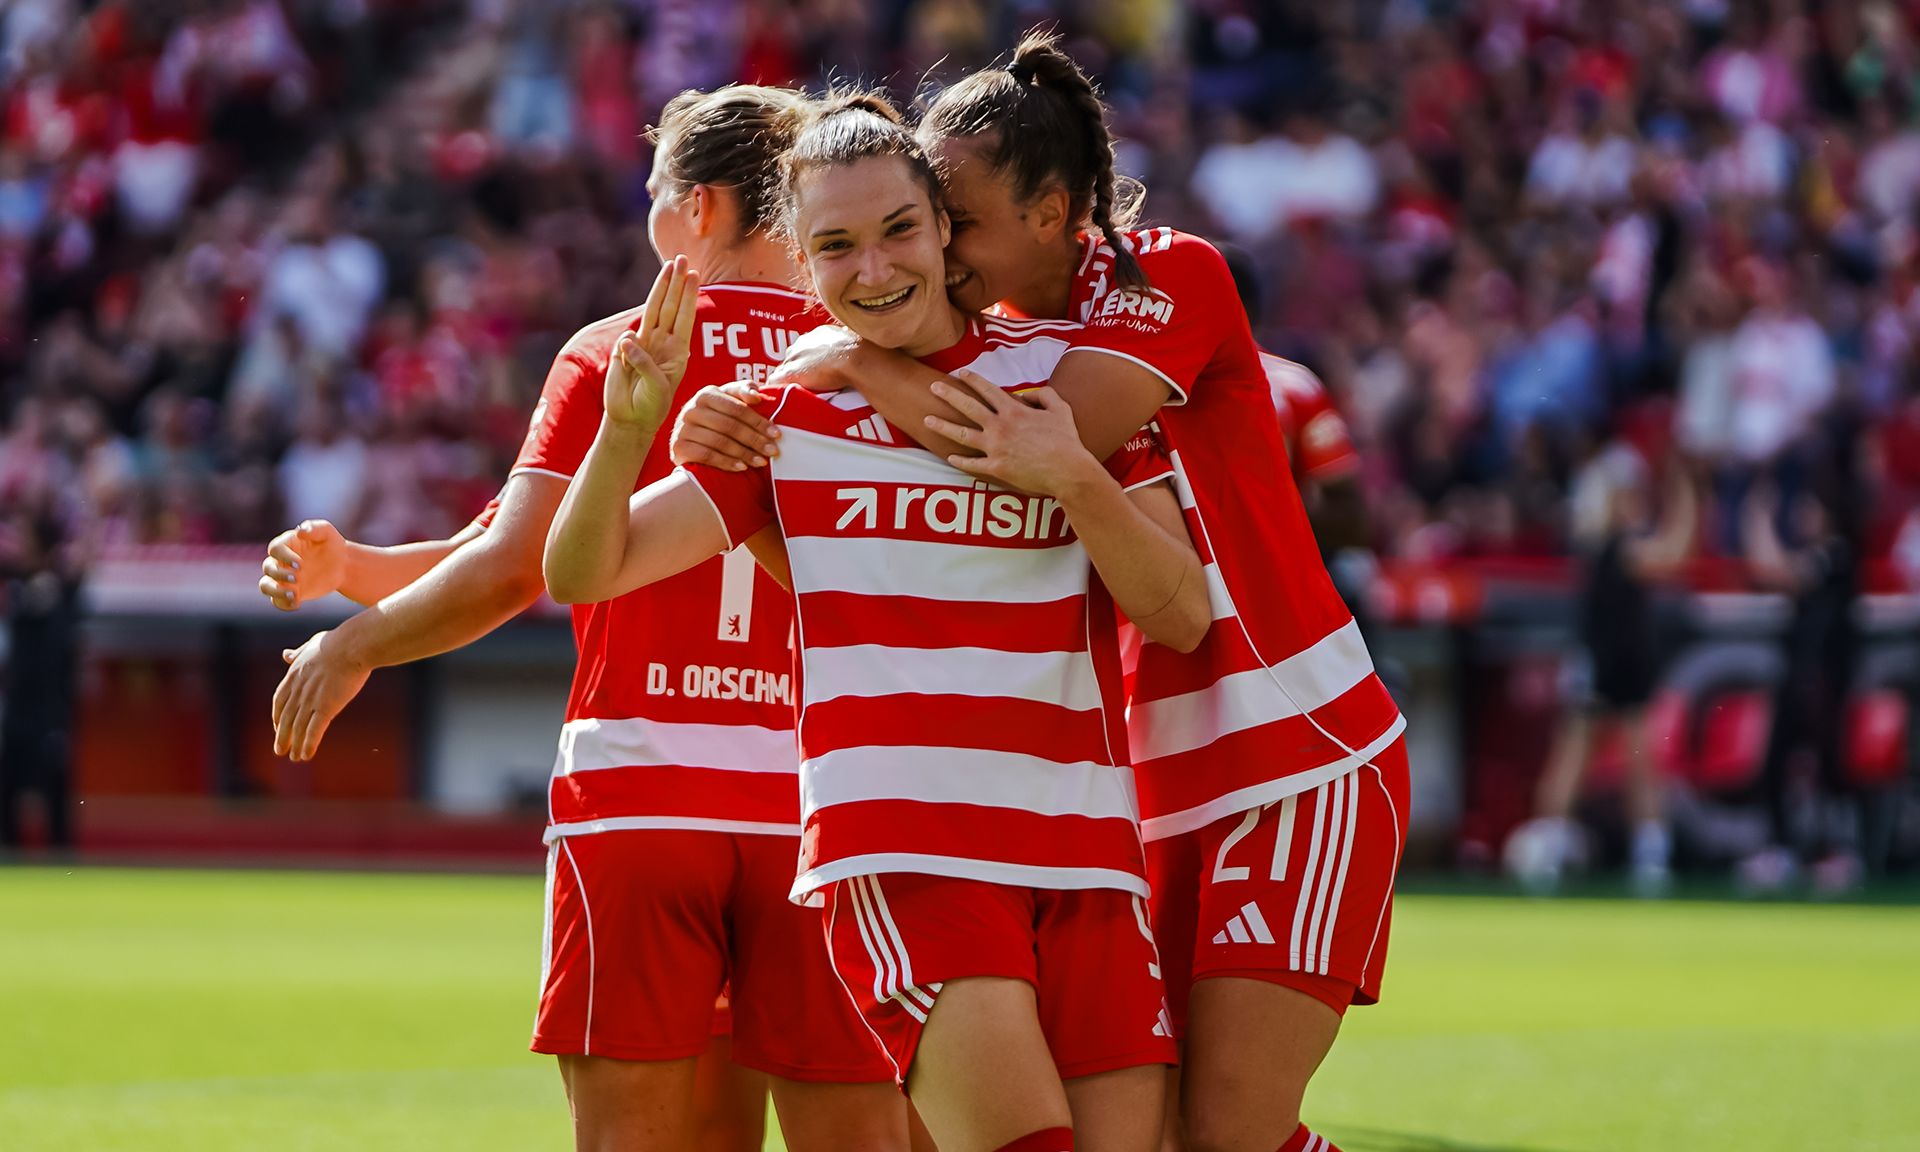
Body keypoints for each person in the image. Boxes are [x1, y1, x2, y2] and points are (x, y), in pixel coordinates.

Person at [673, 35, 1408, 1152]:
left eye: (953, 220)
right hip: (1139, 784)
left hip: (1292, 746)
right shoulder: (993, 340)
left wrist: (858, 360)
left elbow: (1027, 443)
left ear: (1057, 211)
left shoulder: (1168, 272)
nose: (939, 250)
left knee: (1226, 1136)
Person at [548, 93, 1211, 1152]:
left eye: (898, 229)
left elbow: (1177, 614)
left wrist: (1073, 478)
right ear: (802, 266)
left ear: (944, 225)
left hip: (1087, 855)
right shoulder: (782, 414)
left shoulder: (1064, 382)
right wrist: (628, 435)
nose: (872, 270)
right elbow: (590, 569)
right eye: (835, 247)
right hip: (905, 852)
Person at [257, 86, 906, 1152]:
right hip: (822, 809)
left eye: (655, 194)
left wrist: (352, 643)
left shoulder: (614, 354)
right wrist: (361, 570)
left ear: (698, 210)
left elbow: (522, 569)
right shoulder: (869, 365)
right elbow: (506, 550)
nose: (643, 213)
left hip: (643, 798)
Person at [1503, 445, 1696, 895]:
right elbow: (1673, 553)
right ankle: (1552, 847)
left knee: (1637, 760)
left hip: (1624, 664)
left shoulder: (1608, 542)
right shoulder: (1612, 545)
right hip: (1601, 662)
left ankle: (1648, 853)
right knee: (1576, 758)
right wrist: (1688, 493)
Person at [1738, 470, 1866, 895]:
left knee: (1829, 767)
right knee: (1776, 762)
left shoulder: (1838, 554)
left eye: (1811, 508)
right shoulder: (1820, 556)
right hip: (1796, 676)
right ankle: (1781, 849)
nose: (1804, 515)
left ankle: (1840, 852)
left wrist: (1756, 519)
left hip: (1826, 679)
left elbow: (1779, 571)